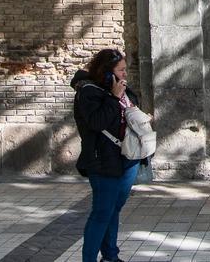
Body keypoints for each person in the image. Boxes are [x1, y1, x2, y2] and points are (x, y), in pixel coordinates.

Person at [71, 48, 143, 262]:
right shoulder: (88, 92)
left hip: (128, 158)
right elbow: (97, 123)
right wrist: (114, 97)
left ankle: (110, 256)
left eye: (125, 70)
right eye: (120, 70)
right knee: (102, 212)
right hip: (102, 160)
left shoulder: (123, 90)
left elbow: (131, 115)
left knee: (114, 209)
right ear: (107, 72)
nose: (125, 74)